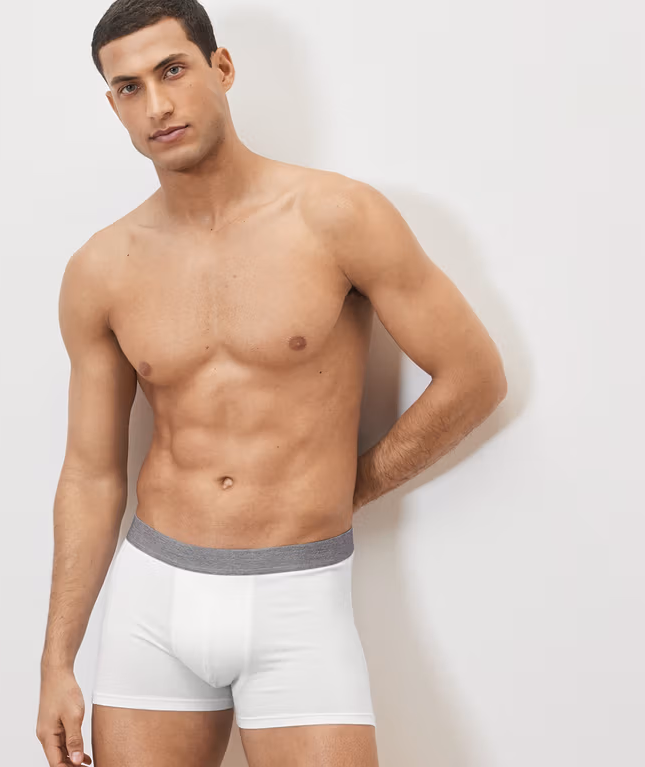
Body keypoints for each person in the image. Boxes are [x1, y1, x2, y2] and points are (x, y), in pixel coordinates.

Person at [36, 1, 507, 765]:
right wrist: (57, 660)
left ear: (221, 68)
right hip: (154, 601)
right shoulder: (100, 269)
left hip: (300, 597)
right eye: (129, 88)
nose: (157, 106)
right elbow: (91, 474)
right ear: (113, 105)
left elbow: (474, 376)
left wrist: (352, 486)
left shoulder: (337, 217)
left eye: (172, 70)